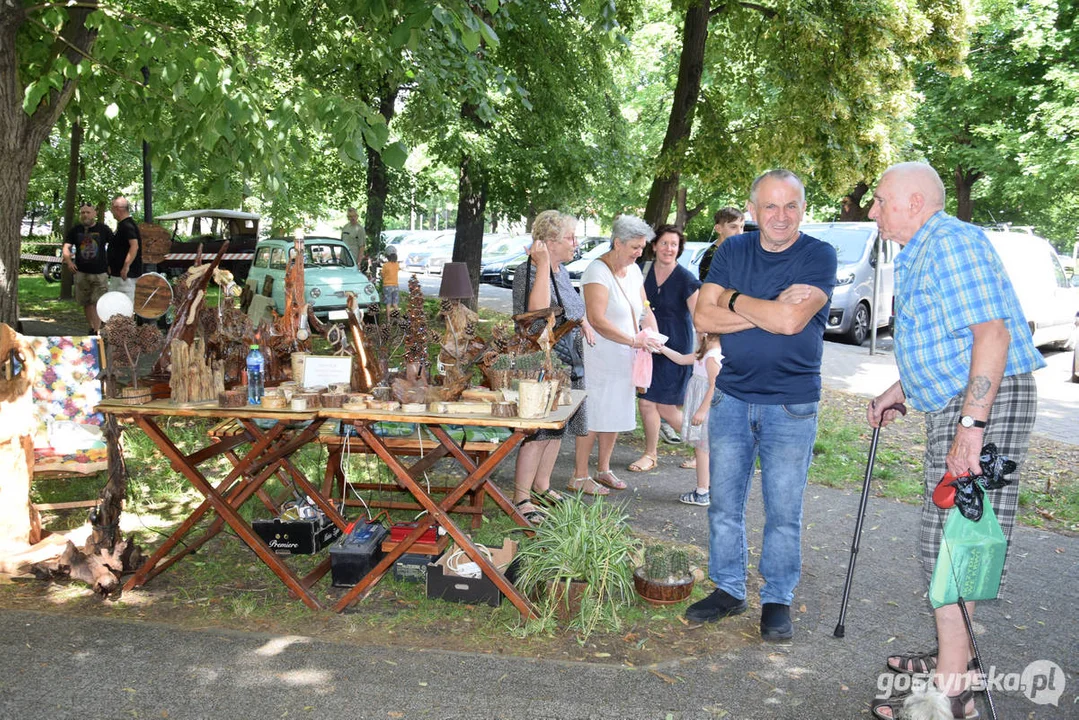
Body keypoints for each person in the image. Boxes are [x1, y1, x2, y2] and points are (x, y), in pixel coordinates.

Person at [864, 163, 1043, 720]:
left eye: (880, 200)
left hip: (983, 405)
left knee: (957, 541)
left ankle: (954, 691)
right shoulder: (925, 249)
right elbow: (950, 341)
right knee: (942, 537)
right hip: (960, 400)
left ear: (915, 202)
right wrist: (902, 387)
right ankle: (952, 657)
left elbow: (992, 333)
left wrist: (972, 427)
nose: (872, 211)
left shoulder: (952, 244)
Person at [685, 168, 837, 643]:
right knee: (724, 505)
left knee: (783, 510)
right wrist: (766, 307)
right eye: (769, 206)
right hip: (731, 397)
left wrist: (734, 303)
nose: (780, 216)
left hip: (792, 406)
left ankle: (777, 599)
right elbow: (702, 314)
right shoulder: (732, 250)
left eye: (791, 205)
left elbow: (792, 323)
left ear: (803, 209)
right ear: (751, 211)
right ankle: (729, 588)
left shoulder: (819, 254)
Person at [511, 211, 595, 520]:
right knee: (539, 432)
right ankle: (521, 499)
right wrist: (544, 263)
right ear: (548, 243)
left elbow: (571, 307)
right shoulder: (530, 271)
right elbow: (538, 312)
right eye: (570, 237)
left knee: (557, 427)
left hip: (568, 362)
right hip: (541, 363)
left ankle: (542, 486)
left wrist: (584, 323)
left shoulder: (560, 270)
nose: (576, 243)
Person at [574, 215, 662, 495]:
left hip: (625, 353)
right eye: (635, 247)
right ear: (617, 243)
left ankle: (603, 469)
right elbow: (597, 320)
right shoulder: (596, 272)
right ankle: (578, 475)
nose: (640, 253)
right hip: (600, 354)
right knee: (596, 413)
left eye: (642, 247)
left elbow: (645, 307)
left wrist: (653, 335)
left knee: (613, 412)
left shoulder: (634, 271)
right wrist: (633, 341)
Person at [628, 225, 701, 473]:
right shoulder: (640, 272)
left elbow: (700, 320)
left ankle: (706, 448)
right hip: (646, 349)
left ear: (679, 249)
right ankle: (650, 454)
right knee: (647, 404)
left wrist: (704, 353)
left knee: (668, 408)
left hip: (674, 354)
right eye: (665, 243)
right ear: (655, 245)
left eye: (675, 244)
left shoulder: (686, 279)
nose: (669, 248)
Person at [657, 333, 723, 505]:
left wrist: (701, 411)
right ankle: (711, 489)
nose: (698, 333)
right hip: (701, 403)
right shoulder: (704, 353)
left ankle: (702, 492)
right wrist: (661, 348)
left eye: (700, 330)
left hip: (706, 407)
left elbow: (715, 386)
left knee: (702, 449)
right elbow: (680, 359)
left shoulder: (712, 357)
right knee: (706, 449)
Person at [63, 203, 113, 333]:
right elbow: (66, 247)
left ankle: (97, 331)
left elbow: (114, 247)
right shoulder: (75, 230)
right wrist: (69, 262)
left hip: (100, 273)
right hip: (81, 273)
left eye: (88, 212)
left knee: (98, 303)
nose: (85, 215)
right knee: (86, 303)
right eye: (82, 213)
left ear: (95, 214)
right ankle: (92, 328)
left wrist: (111, 264)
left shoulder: (103, 229)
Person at [107, 196, 142, 300]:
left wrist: (126, 267)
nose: (111, 212)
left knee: (124, 306)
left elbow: (134, 246)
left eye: (112, 209)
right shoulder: (123, 225)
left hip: (126, 276)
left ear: (117, 208)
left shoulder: (127, 226)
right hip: (118, 274)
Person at [697, 207, 745, 282]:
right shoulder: (713, 256)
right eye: (733, 227)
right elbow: (711, 291)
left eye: (741, 227)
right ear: (718, 229)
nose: (739, 232)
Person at [341, 208, 366, 272]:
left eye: (354, 216)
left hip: (353, 260)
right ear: (347, 217)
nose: (352, 218)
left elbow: (362, 247)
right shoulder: (345, 227)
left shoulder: (360, 229)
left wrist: (358, 263)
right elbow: (341, 243)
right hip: (343, 259)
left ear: (357, 216)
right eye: (350, 216)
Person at [381, 248, 400, 313]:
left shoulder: (385, 265)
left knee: (388, 304)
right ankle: (399, 319)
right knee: (395, 304)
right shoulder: (397, 264)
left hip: (387, 286)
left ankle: (388, 320)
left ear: (387, 256)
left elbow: (382, 275)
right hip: (395, 285)